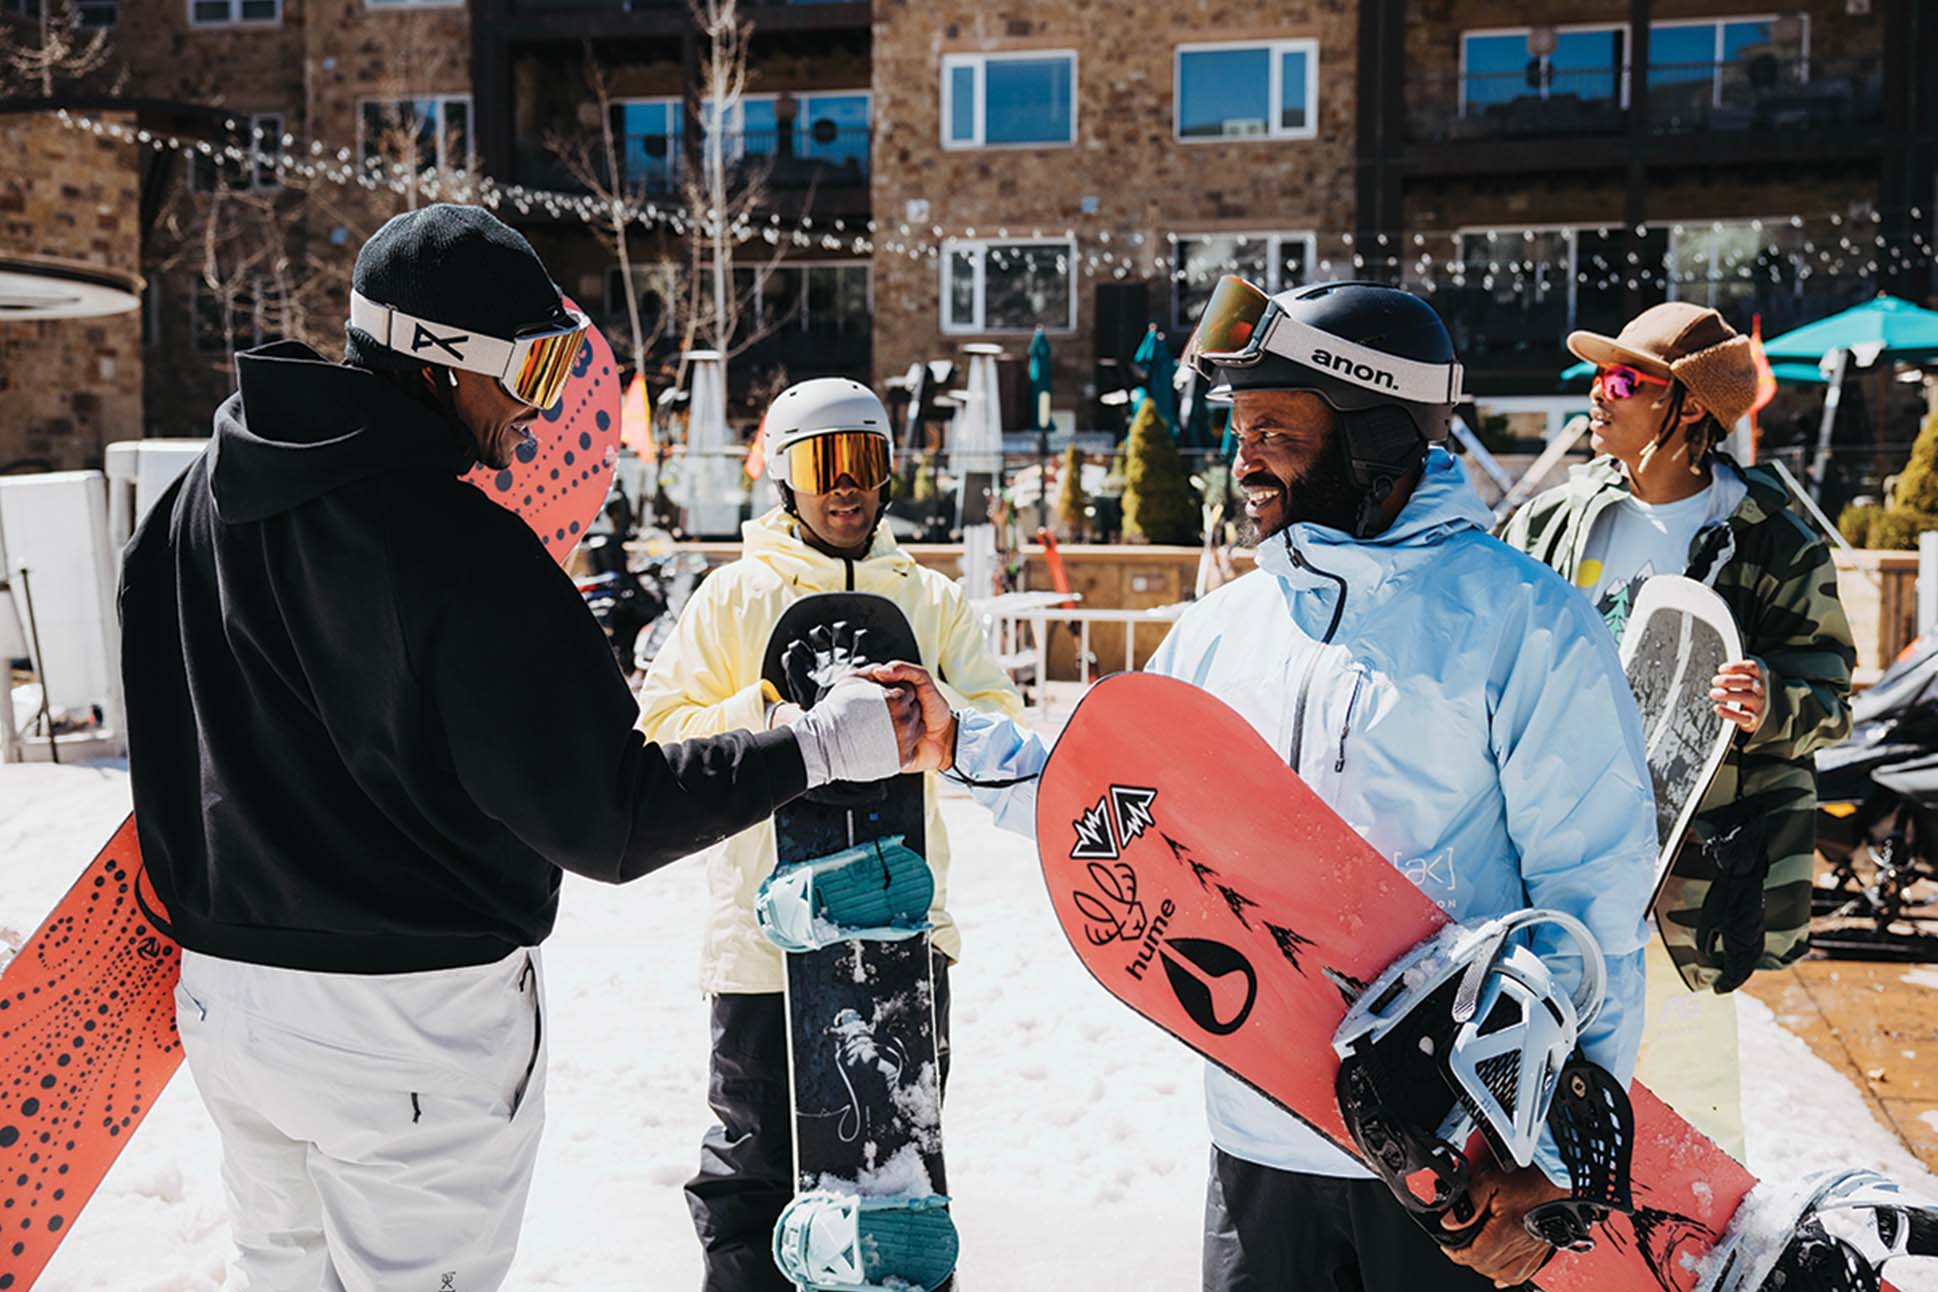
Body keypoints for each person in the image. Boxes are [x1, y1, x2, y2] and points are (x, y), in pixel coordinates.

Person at [117, 204, 937, 1292]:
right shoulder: (460, 551)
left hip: (232, 1001)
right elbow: (614, 812)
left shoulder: (189, 507)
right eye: (539, 367)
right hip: (406, 1025)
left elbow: (162, 736)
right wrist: (826, 739)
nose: (544, 416)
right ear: (443, 362)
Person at [875, 278, 1659, 1291]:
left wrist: (1551, 1171)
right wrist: (961, 741)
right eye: (1239, 427)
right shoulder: (1225, 627)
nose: (1243, 459)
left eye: (1273, 427)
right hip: (1259, 1138)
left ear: (1373, 436)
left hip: (1454, 1167)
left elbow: (1592, 903)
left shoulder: (1522, 622)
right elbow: (1109, 800)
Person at [634, 376, 1025, 1292]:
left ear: (889, 474)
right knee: (753, 1169)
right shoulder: (733, 599)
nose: (845, 486)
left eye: (865, 462)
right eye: (823, 464)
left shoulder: (929, 601)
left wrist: (937, 718)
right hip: (762, 952)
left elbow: (998, 729)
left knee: (897, 1169)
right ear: (783, 475)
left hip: (902, 941)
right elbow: (658, 739)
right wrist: (769, 710)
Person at [1500, 301, 1855, 1156]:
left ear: (1688, 407)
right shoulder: (1557, 521)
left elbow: (1832, 695)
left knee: (1688, 1125)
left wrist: (1770, 700)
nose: (1597, 394)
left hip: (1692, 891)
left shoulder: (1773, 540)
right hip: (1554, 863)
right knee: (1539, 1102)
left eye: (1623, 379)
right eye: (1596, 375)